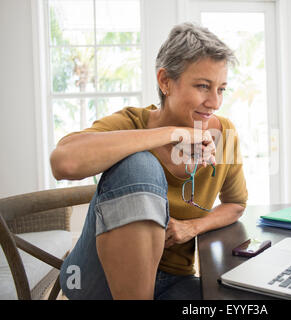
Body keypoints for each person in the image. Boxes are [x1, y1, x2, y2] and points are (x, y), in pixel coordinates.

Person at [51, 22, 248, 300]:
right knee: (138, 163)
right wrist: (171, 134)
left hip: (172, 281)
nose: (214, 102)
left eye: (221, 89)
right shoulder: (131, 122)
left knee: (236, 301)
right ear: (165, 81)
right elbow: (64, 163)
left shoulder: (223, 133)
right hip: (95, 278)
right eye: (203, 86)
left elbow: (235, 203)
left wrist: (192, 227)